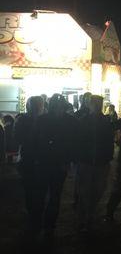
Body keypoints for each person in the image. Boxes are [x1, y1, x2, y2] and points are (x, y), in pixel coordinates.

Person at [34, 94, 78, 236]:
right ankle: (41, 222)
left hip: (56, 164)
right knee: (44, 194)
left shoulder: (45, 120)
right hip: (47, 163)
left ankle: (48, 224)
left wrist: (69, 161)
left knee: (54, 195)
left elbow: (74, 143)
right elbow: (35, 141)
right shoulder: (67, 121)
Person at [76, 95, 114, 232]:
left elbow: (109, 141)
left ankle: (88, 216)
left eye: (99, 103)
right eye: (95, 103)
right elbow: (78, 142)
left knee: (97, 190)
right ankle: (86, 218)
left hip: (99, 161)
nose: (97, 106)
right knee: (86, 191)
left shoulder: (104, 121)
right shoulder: (84, 120)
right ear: (90, 105)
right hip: (88, 161)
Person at [14, 96, 45, 236]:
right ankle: (36, 216)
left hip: (28, 159)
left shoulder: (22, 119)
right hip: (39, 160)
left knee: (30, 189)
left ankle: (33, 215)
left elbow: (17, 139)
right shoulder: (45, 120)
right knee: (38, 190)